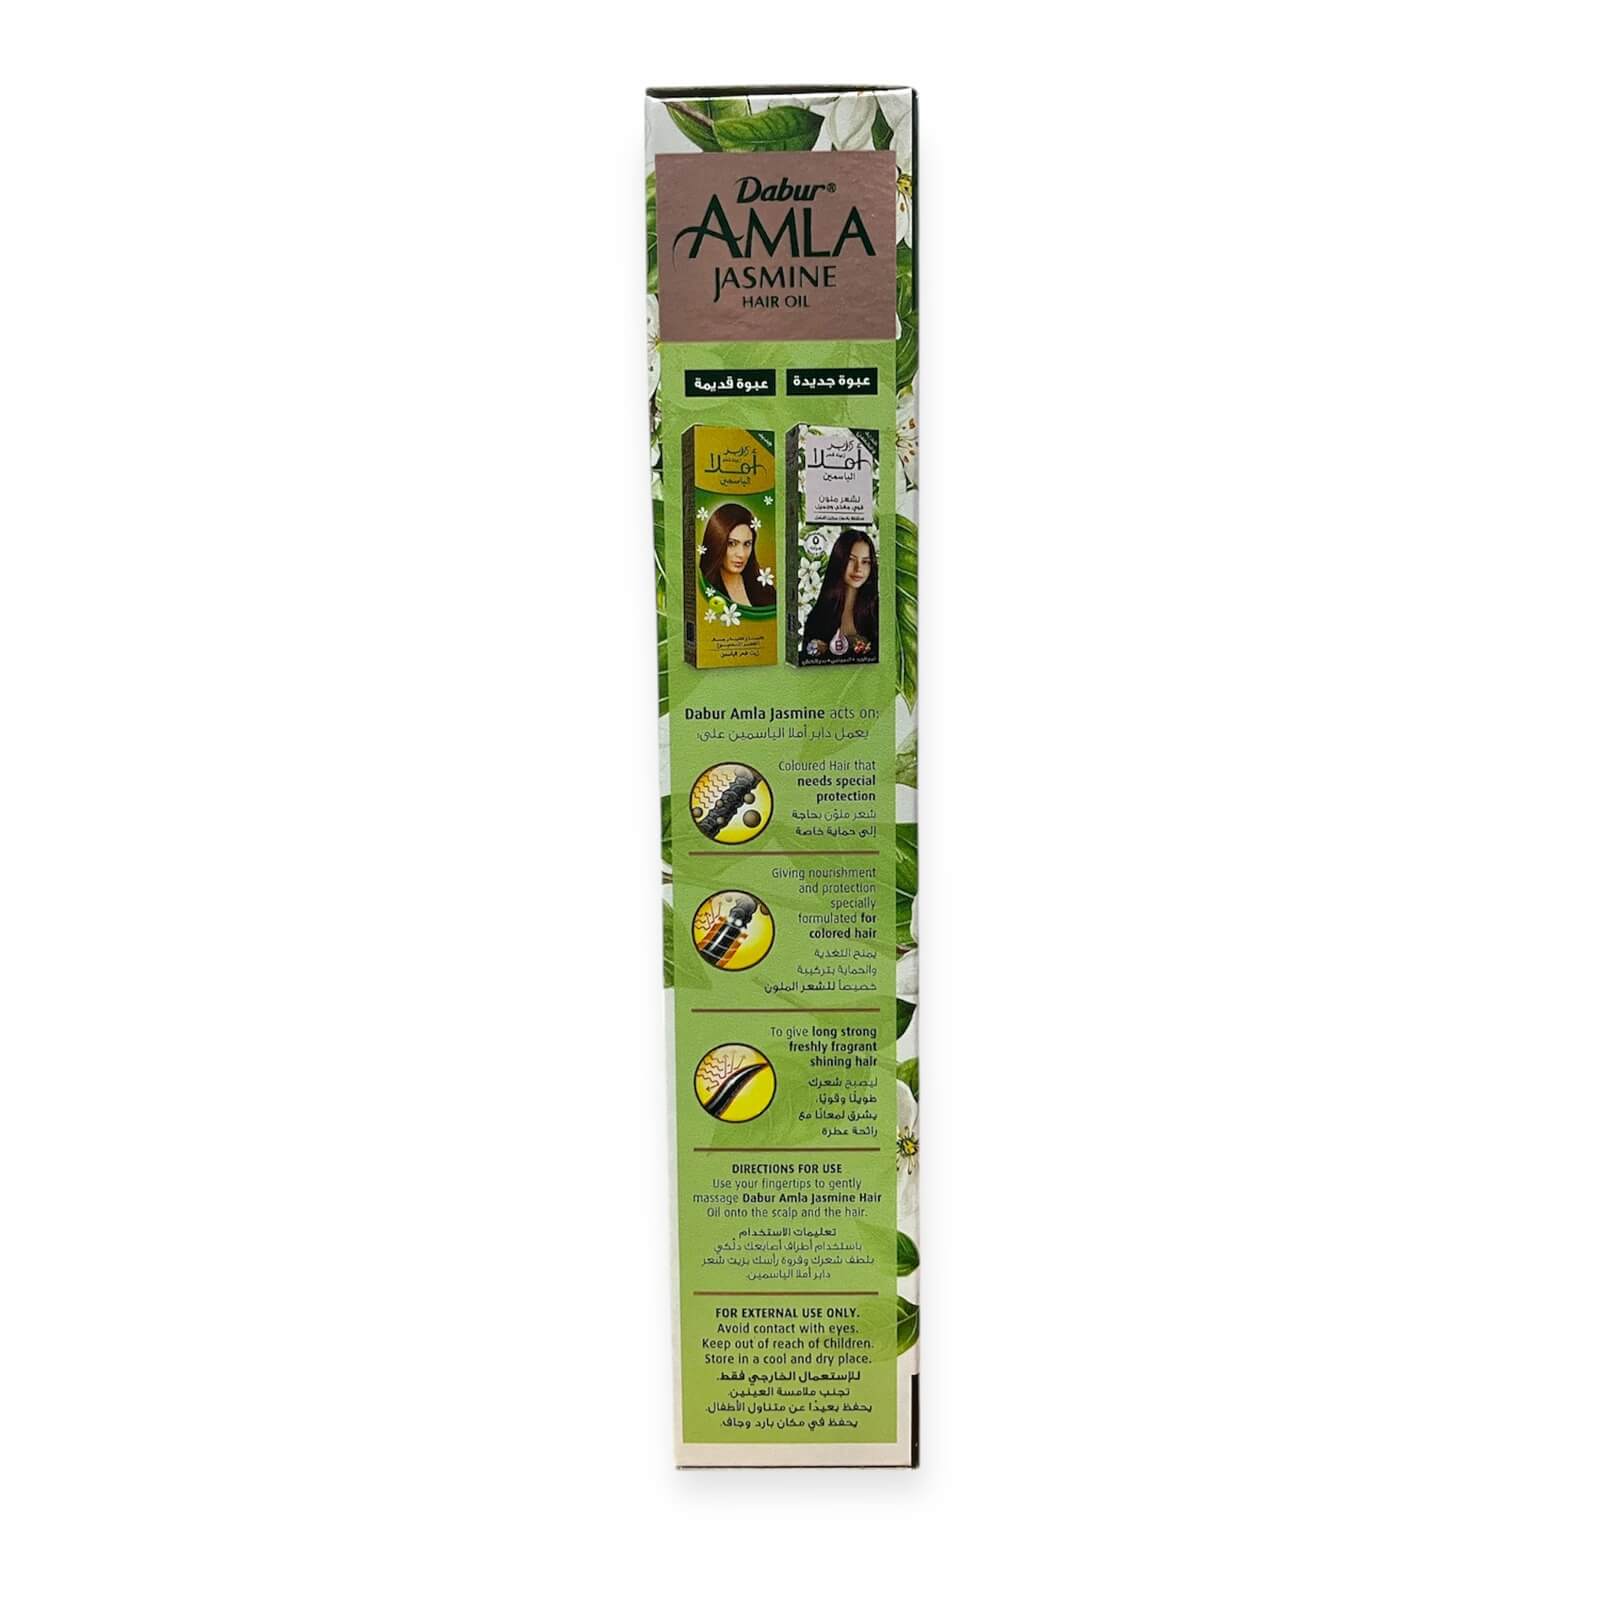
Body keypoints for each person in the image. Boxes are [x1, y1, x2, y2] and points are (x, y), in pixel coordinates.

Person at [802, 532, 877, 657]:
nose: (858, 568)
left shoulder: (878, 612)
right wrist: (816, 648)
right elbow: (807, 653)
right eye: (851, 560)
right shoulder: (819, 614)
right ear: (839, 560)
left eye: (865, 562)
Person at [700, 505, 776, 610]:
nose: (741, 554)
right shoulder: (703, 589)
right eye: (732, 543)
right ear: (717, 543)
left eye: (747, 544)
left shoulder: (763, 588)